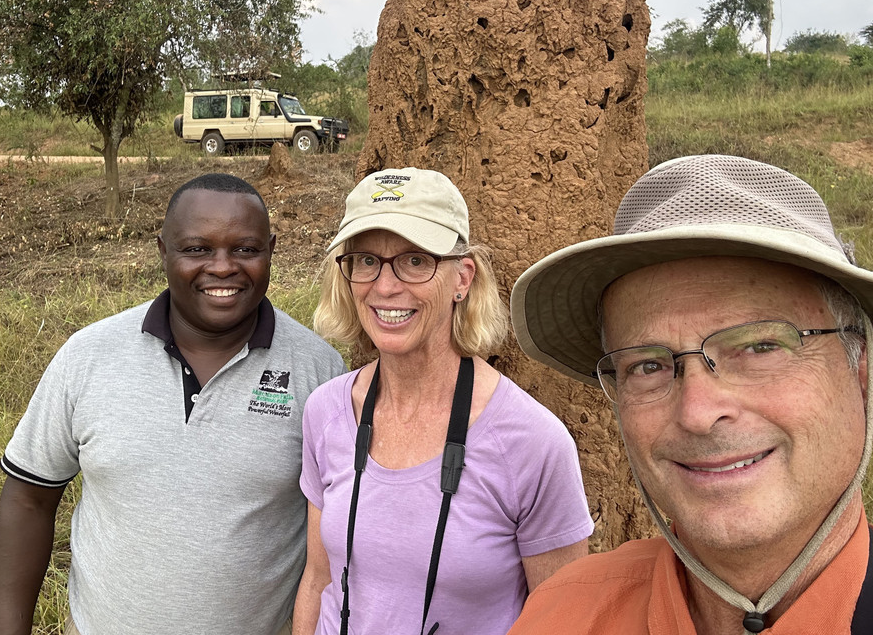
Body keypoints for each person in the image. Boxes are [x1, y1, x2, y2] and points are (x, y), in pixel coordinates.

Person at [507, 154, 873, 635]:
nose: (697, 412)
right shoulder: (563, 617)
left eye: (760, 346)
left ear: (860, 371)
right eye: (649, 365)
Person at [0, 173, 344, 635]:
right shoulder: (88, 356)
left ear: (270, 251)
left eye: (245, 249)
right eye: (197, 248)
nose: (222, 267)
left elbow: (336, 538)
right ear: (163, 251)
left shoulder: (320, 371)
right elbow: (28, 500)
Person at [294, 167, 594, 635]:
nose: (385, 287)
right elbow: (319, 580)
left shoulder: (532, 442)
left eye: (415, 260)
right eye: (366, 260)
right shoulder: (326, 411)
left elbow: (562, 622)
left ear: (463, 278)